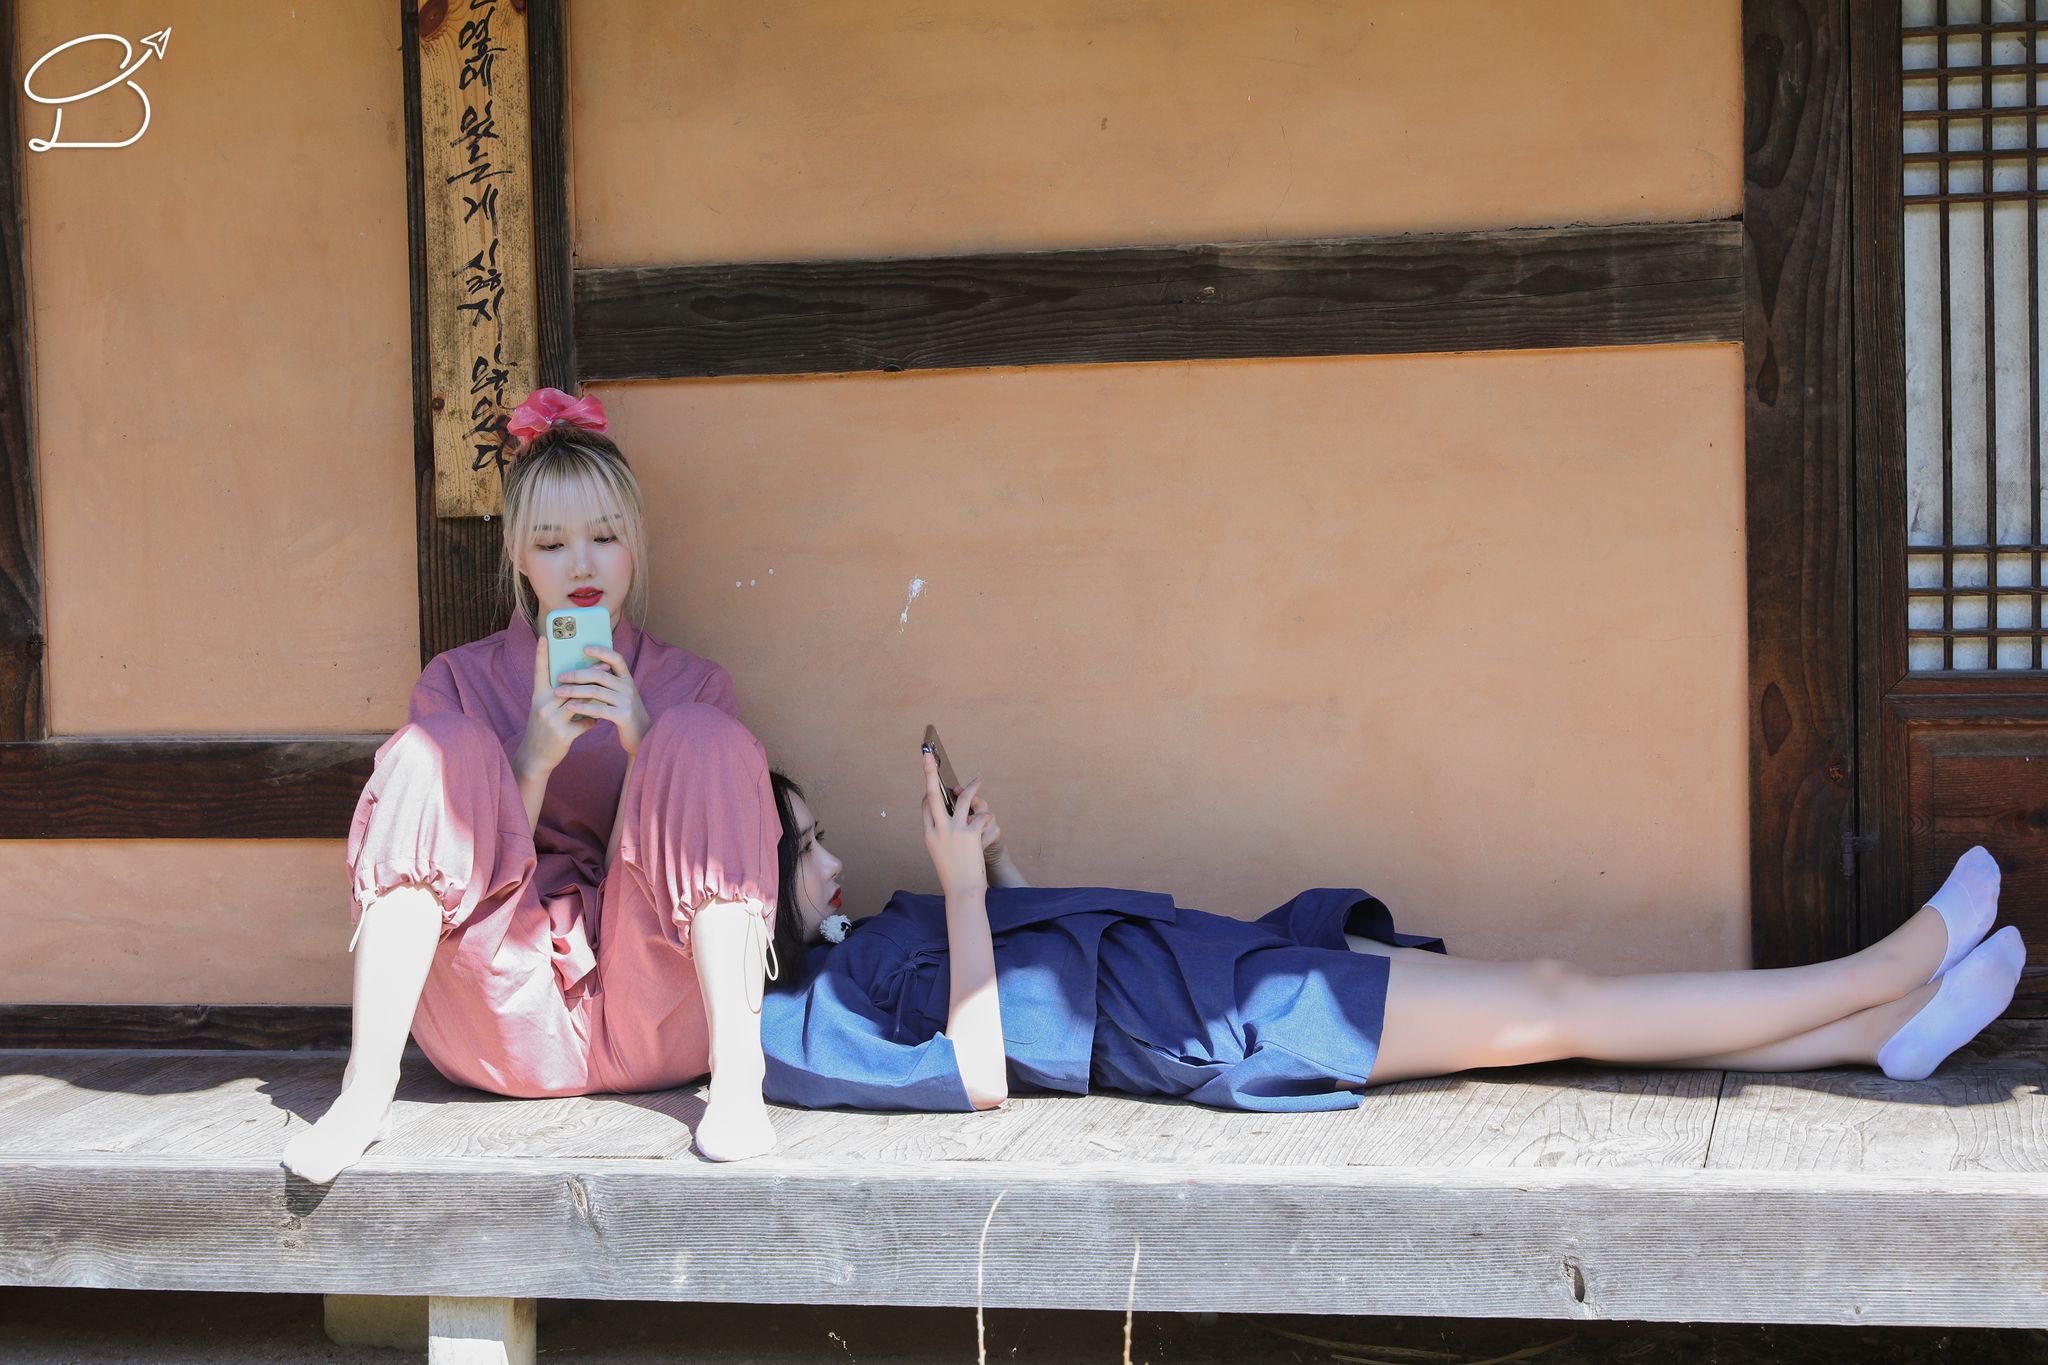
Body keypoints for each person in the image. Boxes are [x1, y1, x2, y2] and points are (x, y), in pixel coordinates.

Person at [756, 752, 2027, 1114]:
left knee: (1553, 1018)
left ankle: (1875, 1034)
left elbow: (1037, 966)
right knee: (1554, 1000)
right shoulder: (804, 1022)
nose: (833, 861)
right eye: (803, 849)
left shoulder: (863, 944)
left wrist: (991, 868)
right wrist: (959, 893)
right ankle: (1887, 967)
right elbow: (983, 1070)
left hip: (1220, 961)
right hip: (1220, 1021)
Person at [282, 389, 782, 1182]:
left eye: (605, 537)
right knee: (438, 749)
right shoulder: (459, 680)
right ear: (517, 552)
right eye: (551, 543)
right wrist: (533, 759)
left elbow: (694, 851)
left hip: (657, 1008)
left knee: (699, 737)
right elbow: (456, 868)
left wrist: (646, 745)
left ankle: (739, 1080)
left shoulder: (693, 683)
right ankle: (365, 1092)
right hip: (500, 1015)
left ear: (635, 543)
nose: (581, 564)